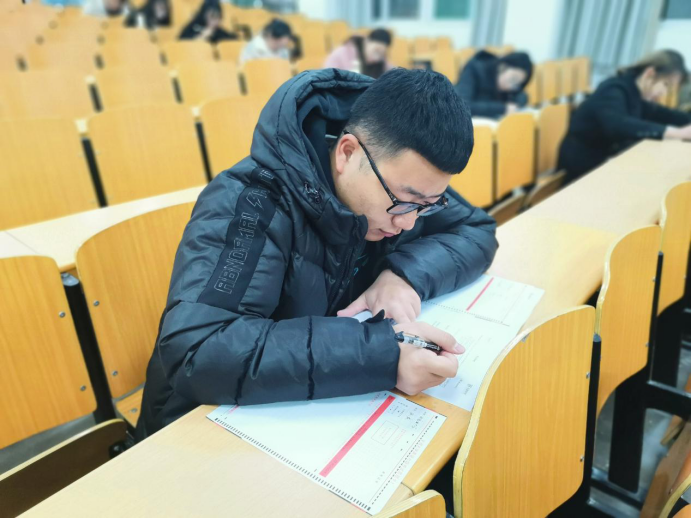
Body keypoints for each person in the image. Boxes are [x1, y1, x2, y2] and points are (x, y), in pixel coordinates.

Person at [135, 68, 498, 440]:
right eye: (404, 202)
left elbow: (476, 228)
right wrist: (383, 356)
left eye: (428, 205)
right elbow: (199, 348)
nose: (408, 222)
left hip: (306, 413)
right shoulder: (250, 202)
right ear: (347, 153)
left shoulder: (403, 181)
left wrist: (402, 276)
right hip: (198, 429)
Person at [558, 50, 691, 184]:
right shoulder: (614, 88)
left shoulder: (635, 91)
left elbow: (662, 114)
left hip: (604, 162)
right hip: (582, 168)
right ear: (650, 73)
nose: (664, 92)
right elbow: (618, 125)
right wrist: (676, 133)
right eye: (666, 84)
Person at [454, 50, 533, 118]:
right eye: (513, 79)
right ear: (503, 66)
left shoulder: (509, 89)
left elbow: (522, 95)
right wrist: (502, 109)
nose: (511, 87)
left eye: (517, 85)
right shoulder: (474, 68)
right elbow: (462, 106)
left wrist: (515, 104)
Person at [324, 28, 394, 79]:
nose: (377, 56)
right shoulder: (342, 54)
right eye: (376, 49)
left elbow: (392, 73)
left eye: (381, 53)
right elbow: (328, 77)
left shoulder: (382, 63)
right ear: (367, 41)